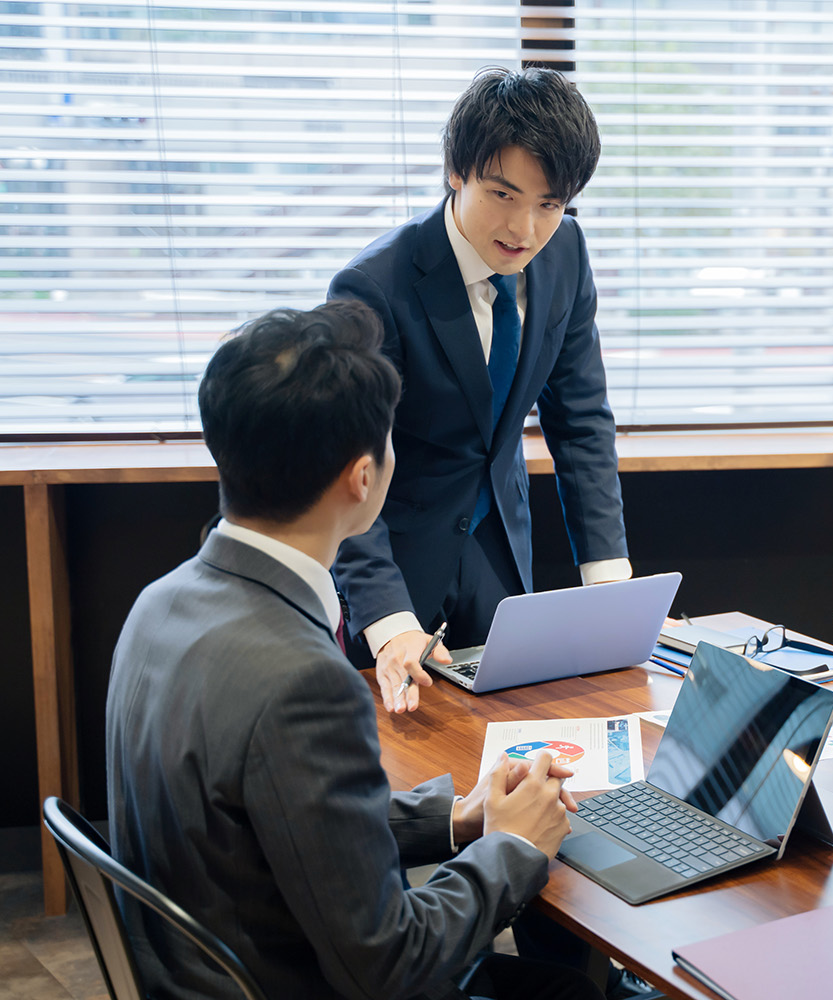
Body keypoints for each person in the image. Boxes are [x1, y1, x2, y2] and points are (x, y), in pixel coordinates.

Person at [105, 300, 602, 1000]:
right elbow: (390, 963)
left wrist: (456, 817)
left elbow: (288, 816)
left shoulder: (158, 604)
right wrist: (510, 847)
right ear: (362, 479)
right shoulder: (302, 680)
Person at [329, 66, 630, 715]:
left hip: (501, 558)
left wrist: (608, 583)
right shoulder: (374, 287)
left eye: (549, 203)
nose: (524, 228)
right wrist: (386, 618)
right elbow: (346, 468)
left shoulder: (566, 254)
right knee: (405, 772)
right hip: (394, 566)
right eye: (503, 194)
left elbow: (581, 421)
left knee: (515, 748)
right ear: (455, 170)